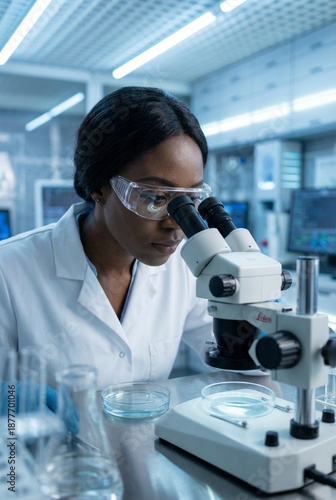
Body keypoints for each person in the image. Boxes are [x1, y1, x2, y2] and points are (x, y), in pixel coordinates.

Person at [0, 86, 215, 391]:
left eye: (189, 199)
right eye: (154, 197)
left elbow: (235, 355)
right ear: (98, 186)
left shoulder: (181, 270)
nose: (175, 224)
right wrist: (10, 409)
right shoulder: (8, 272)